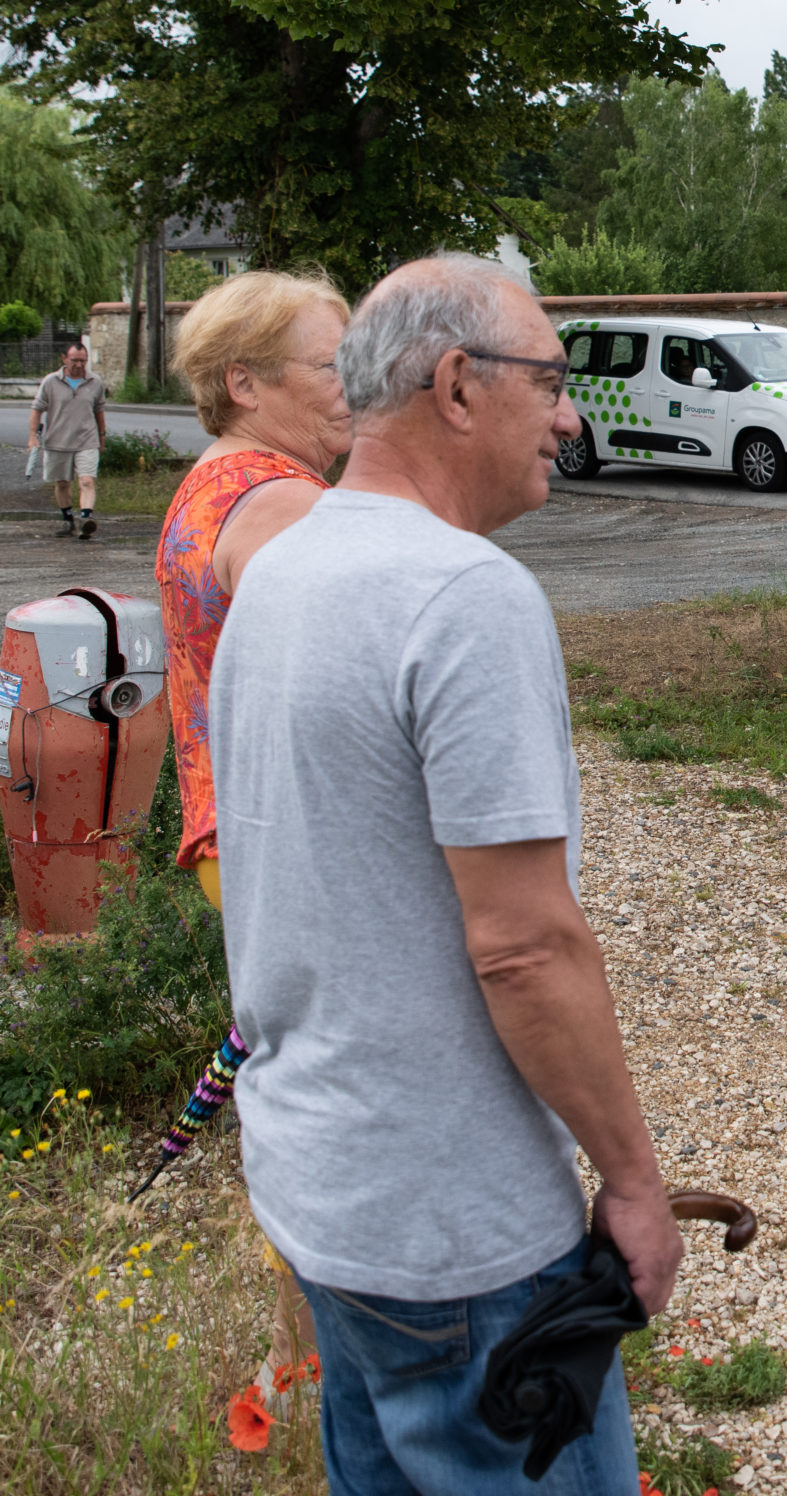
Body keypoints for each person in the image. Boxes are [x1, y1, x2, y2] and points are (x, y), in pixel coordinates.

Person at [211, 253, 680, 1491]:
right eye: (553, 380)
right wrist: (633, 1181)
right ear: (460, 385)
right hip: (454, 1235)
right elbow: (523, 943)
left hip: (322, 1190)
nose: (571, 415)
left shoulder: (276, 570)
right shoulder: (464, 595)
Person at [155, 266, 352, 1399]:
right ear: (244, 381)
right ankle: (325, 1345)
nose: (354, 387)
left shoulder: (214, 484)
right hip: (287, 839)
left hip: (238, 835)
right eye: (331, 366)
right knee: (329, 1091)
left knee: (291, 1077)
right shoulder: (275, 502)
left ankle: (304, 1343)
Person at [27, 341, 109, 538]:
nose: (79, 365)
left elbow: (99, 411)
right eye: (75, 360)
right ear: (64, 359)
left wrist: (102, 437)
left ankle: (86, 519)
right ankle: (68, 520)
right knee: (62, 483)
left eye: (83, 361)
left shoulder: (95, 382)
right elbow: (37, 409)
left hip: (87, 440)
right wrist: (32, 437)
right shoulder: (51, 381)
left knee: (87, 480)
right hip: (58, 441)